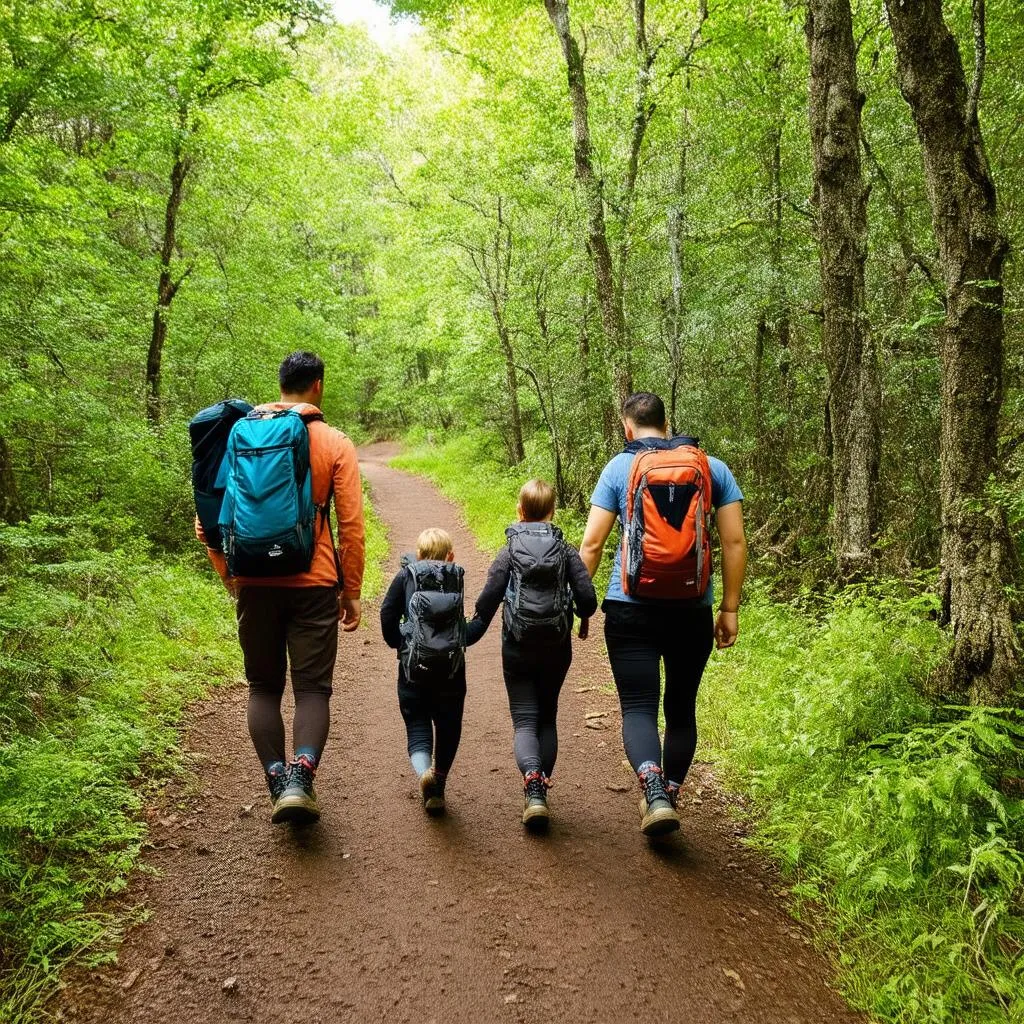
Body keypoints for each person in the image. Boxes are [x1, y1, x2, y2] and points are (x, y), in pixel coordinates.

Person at [196, 351, 365, 826]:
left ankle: (276, 778)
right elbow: (350, 523)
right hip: (314, 581)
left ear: (281, 384)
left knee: (263, 686)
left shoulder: (241, 435)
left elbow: (209, 515)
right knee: (312, 688)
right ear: (317, 387)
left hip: (253, 579)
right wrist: (350, 590)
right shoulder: (333, 442)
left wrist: (228, 574)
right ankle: (301, 778)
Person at [579, 392, 746, 838]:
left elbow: (592, 545)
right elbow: (733, 543)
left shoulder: (619, 468)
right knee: (681, 708)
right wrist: (729, 608)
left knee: (638, 707)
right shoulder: (712, 468)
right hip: (692, 609)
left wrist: (578, 603)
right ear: (667, 424)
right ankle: (669, 793)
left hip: (629, 608)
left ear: (627, 428)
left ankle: (651, 789)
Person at [467, 480, 597, 831]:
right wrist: (581, 618)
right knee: (547, 717)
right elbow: (588, 599)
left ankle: (533, 789)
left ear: (520, 511)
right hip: (556, 647)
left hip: (517, 646)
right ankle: (541, 789)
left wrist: (466, 634)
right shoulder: (566, 550)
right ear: (551, 512)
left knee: (525, 720)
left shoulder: (509, 550)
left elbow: (488, 600)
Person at [380, 528, 469, 816]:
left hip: (413, 667)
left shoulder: (407, 575)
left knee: (417, 722)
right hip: (451, 670)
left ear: (417, 555)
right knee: (448, 724)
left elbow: (387, 613)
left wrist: (399, 642)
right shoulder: (456, 577)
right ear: (450, 556)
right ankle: (439, 781)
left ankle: (424, 775)